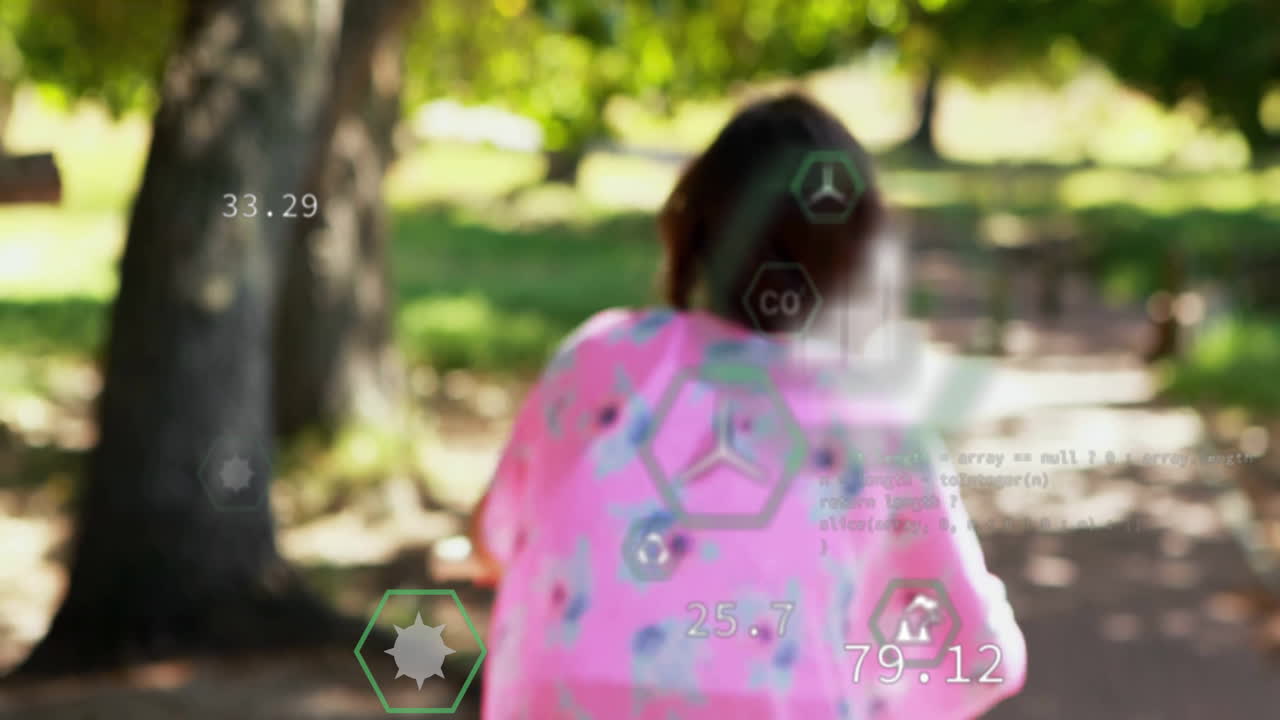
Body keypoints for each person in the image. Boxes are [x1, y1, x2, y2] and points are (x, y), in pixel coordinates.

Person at [472, 93, 1026, 719]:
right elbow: (978, 656)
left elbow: (498, 531)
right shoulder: (874, 419)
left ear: (697, 229)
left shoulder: (601, 358)